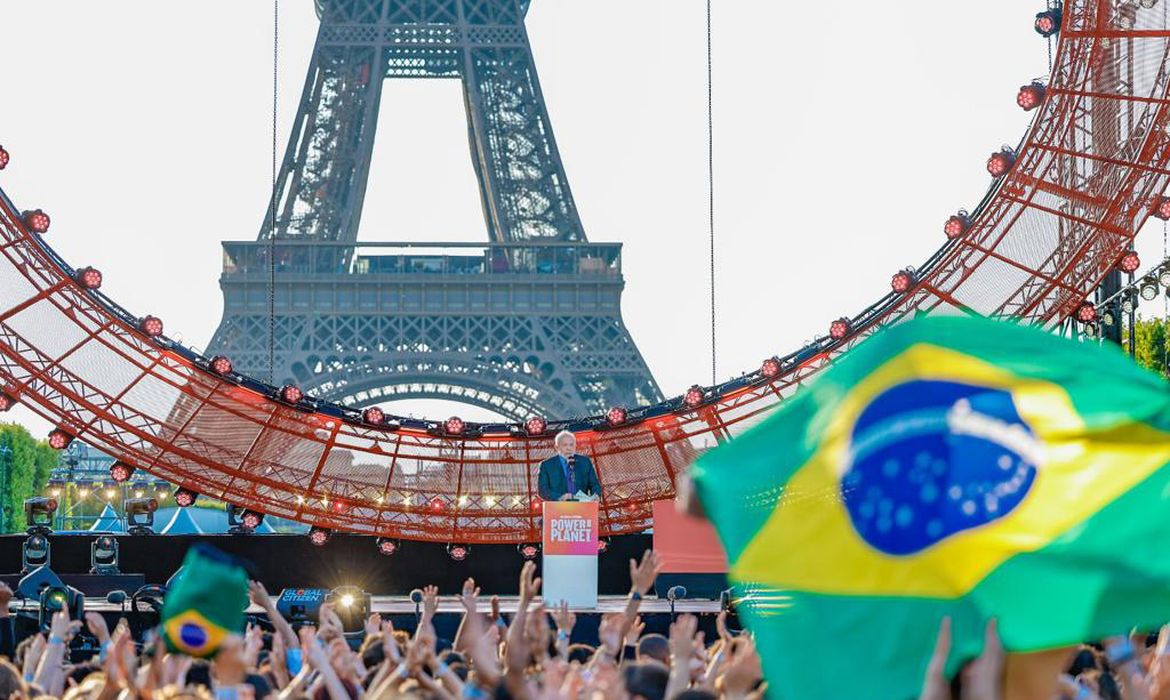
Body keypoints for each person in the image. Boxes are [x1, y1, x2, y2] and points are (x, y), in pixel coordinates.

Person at [537, 430, 603, 501]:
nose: (569, 448)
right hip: (558, 508)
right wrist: (560, 497)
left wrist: (596, 495)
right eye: (565, 445)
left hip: (582, 507)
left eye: (571, 445)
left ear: (575, 446)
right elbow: (543, 491)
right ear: (557, 447)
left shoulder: (585, 462)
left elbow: (594, 484)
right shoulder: (547, 465)